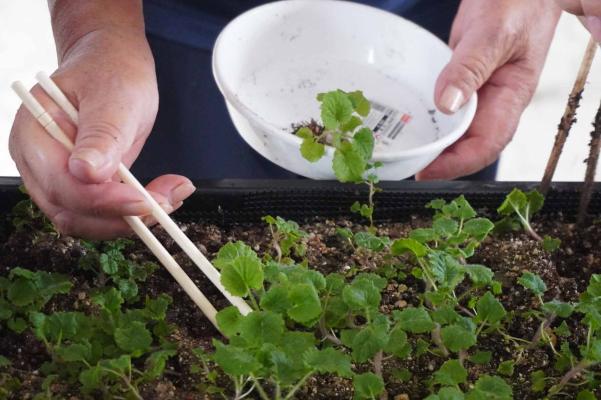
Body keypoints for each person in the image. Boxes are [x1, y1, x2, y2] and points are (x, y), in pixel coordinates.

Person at [7, 0, 598, 239]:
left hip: (440, 39)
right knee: (177, 223)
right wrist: (98, 30)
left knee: (426, 223)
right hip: (183, 42)